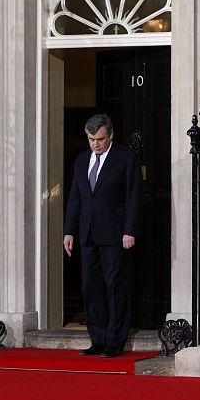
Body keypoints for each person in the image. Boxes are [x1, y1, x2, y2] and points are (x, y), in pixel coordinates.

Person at [63, 113, 143, 358]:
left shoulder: (126, 158)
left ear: (111, 135)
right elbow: (76, 196)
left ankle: (114, 341)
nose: (95, 144)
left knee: (115, 287)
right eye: (90, 139)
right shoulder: (81, 161)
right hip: (87, 234)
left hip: (115, 234)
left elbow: (134, 197)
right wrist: (69, 230)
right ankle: (97, 339)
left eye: (99, 139)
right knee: (91, 288)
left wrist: (130, 230)